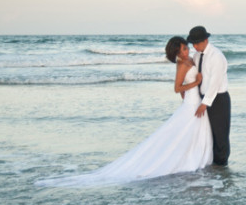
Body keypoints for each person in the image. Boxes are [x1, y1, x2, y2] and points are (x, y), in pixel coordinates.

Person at [36, 37, 213, 187]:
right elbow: (177, 88)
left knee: (190, 133)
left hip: (194, 101)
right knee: (181, 134)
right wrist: (196, 83)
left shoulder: (191, 60)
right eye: (182, 49)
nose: (186, 51)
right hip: (191, 104)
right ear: (176, 53)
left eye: (186, 48)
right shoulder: (182, 64)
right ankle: (183, 162)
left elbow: (182, 90)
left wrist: (190, 89)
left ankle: (196, 160)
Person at [187, 26, 231, 167]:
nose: (194, 46)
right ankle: (211, 165)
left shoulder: (216, 56)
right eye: (192, 43)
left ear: (205, 40)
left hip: (218, 99)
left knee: (220, 136)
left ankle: (222, 167)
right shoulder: (197, 55)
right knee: (207, 134)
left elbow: (215, 83)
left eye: (197, 43)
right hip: (202, 98)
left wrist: (205, 103)